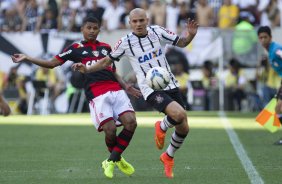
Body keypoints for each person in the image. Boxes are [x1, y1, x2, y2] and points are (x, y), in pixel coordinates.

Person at [72, 8, 198, 178]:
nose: (138, 24)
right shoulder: (124, 43)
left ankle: (168, 156)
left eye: (141, 20)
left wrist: (190, 35)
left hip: (169, 83)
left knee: (183, 126)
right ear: (129, 23)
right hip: (150, 88)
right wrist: (87, 69)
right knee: (179, 113)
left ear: (147, 20)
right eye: (134, 21)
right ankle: (161, 126)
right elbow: (106, 61)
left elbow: (181, 42)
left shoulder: (157, 32)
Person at [11, 16, 142, 178]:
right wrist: (28, 58)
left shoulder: (106, 47)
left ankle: (112, 159)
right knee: (110, 130)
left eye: (95, 28)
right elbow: (52, 63)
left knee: (131, 122)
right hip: (97, 93)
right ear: (82, 29)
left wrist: (126, 86)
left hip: (116, 90)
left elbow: (113, 69)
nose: (92, 31)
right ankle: (116, 158)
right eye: (89, 28)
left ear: (99, 29)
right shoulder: (75, 48)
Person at [257, 26, 282, 145]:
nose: (263, 40)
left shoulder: (276, 49)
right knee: (278, 108)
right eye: (260, 37)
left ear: (270, 37)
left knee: (279, 107)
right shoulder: (269, 51)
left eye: (265, 37)